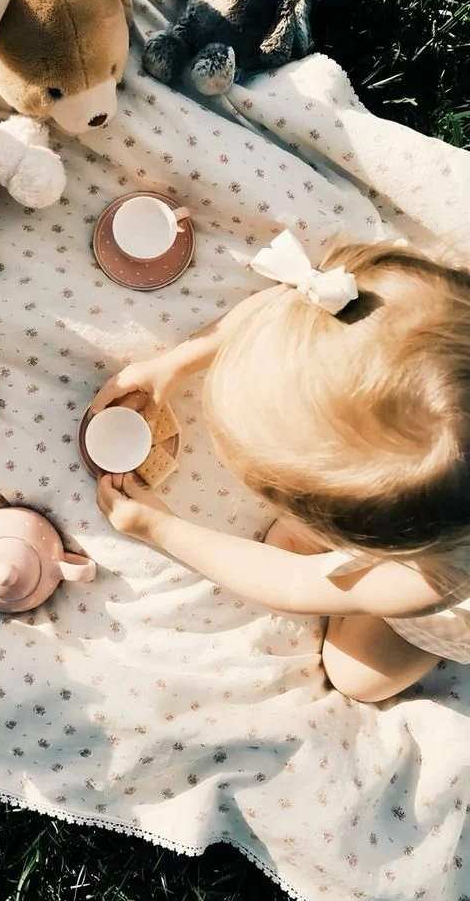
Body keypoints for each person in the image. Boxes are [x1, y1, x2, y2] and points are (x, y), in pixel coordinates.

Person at [93, 230, 470, 702]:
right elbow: (305, 300)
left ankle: (391, 622)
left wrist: (157, 527)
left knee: (359, 679)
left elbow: (291, 583)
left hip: (447, 599)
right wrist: (179, 361)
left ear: (359, 538)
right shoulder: (422, 313)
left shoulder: (426, 580)